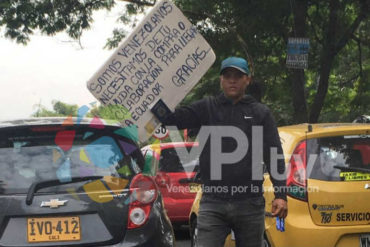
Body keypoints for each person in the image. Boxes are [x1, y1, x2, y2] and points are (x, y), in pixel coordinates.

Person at [162, 57, 288, 247]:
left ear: (247, 80)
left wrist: (281, 195)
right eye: (227, 76)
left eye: (238, 76)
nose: (232, 80)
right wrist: (155, 99)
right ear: (221, 80)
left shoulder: (261, 113)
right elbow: (173, 120)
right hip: (213, 201)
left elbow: (274, 154)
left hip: (250, 202)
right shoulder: (206, 107)